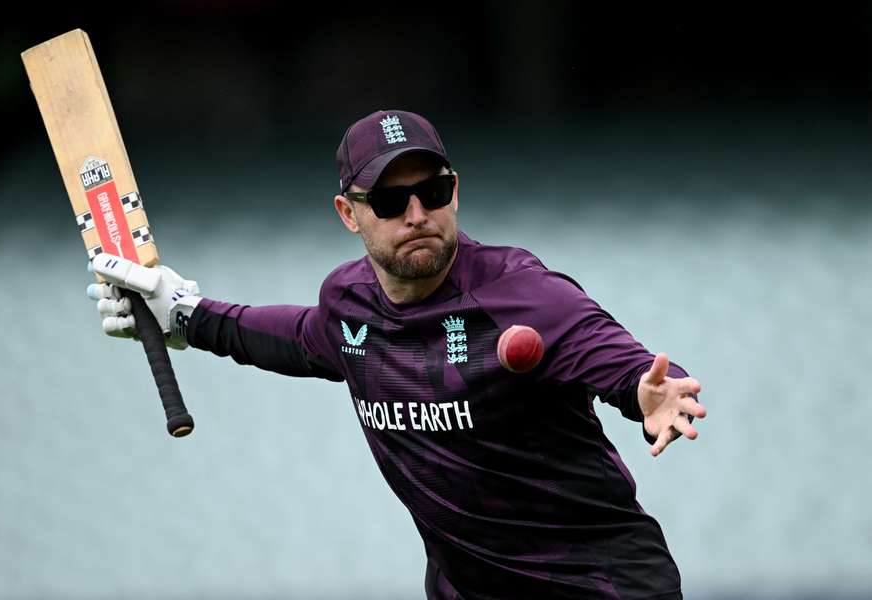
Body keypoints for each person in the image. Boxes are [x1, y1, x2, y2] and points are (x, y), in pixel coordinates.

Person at [88, 109, 706, 599]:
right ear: (348, 214)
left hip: (600, 586)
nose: (416, 215)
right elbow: (293, 337)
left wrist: (651, 392)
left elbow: (622, 361)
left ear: (455, 192)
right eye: (389, 201)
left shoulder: (523, 293)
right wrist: (188, 316)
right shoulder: (349, 306)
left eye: (432, 192)